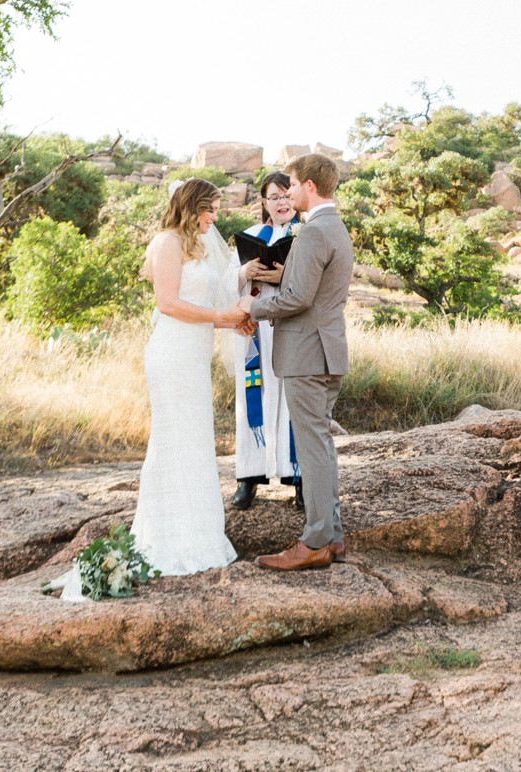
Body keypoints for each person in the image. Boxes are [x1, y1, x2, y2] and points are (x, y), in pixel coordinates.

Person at [53, 179, 255, 598]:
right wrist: (222, 316)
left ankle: (197, 535)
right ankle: (169, 539)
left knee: (195, 440)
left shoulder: (198, 244)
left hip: (194, 354)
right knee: (173, 439)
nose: (215, 218)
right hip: (172, 353)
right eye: (210, 210)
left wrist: (236, 314)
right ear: (192, 207)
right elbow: (168, 303)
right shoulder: (167, 243)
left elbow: (213, 296)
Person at [219, 153, 353, 572]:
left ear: (309, 186)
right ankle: (331, 535)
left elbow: (297, 298)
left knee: (313, 449)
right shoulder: (336, 227)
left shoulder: (313, 233)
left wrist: (250, 306)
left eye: (292, 184)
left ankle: (314, 540)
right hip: (326, 350)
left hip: (306, 353)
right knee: (321, 446)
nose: (289, 191)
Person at [229, 173, 299, 509]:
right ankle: (249, 478)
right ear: (264, 202)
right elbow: (226, 284)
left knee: (294, 402)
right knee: (250, 403)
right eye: (275, 197)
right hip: (256, 334)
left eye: (287, 195)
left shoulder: (307, 233)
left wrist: (284, 275)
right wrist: (245, 273)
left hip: (293, 329)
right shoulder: (253, 236)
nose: (282, 202)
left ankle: (298, 477)